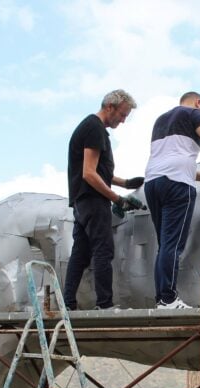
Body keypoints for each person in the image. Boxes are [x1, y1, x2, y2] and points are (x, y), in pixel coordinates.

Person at [144, 91, 200, 309]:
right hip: (177, 185)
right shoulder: (194, 113)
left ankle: (161, 299)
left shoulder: (161, 120)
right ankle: (168, 299)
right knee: (172, 245)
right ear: (198, 102)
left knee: (164, 245)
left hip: (153, 183)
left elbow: (170, 158)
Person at [63, 89, 145, 311]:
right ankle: (105, 304)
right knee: (103, 250)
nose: (123, 120)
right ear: (110, 107)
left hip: (81, 203)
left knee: (80, 254)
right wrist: (118, 199)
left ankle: (68, 304)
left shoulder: (89, 127)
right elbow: (89, 174)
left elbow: (96, 170)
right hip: (93, 201)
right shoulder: (94, 128)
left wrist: (126, 183)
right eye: (123, 114)